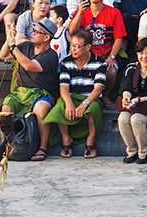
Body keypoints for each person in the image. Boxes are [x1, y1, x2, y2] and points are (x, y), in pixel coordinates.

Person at [0, 18, 59, 161]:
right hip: (22, 92)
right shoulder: (26, 46)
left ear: (46, 37)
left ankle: (43, 147)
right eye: (34, 29)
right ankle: (5, 145)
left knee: (40, 109)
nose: (32, 33)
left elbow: (30, 66)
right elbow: (3, 55)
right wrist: (9, 40)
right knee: (6, 107)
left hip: (43, 93)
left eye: (37, 32)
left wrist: (14, 47)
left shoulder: (51, 55)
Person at [42, 29, 105, 159]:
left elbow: (98, 88)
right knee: (60, 106)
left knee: (94, 109)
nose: (74, 49)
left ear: (88, 47)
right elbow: (63, 87)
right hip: (72, 95)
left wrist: (84, 104)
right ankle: (66, 139)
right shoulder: (66, 62)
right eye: (72, 45)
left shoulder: (99, 62)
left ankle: (90, 140)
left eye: (78, 46)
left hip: (90, 98)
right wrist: (69, 103)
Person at [68, 0, 126, 107]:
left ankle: (105, 97)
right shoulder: (81, 11)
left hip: (106, 53)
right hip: (85, 53)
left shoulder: (114, 12)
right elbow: (72, 33)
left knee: (110, 70)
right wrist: (79, 13)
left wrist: (111, 57)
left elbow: (119, 39)